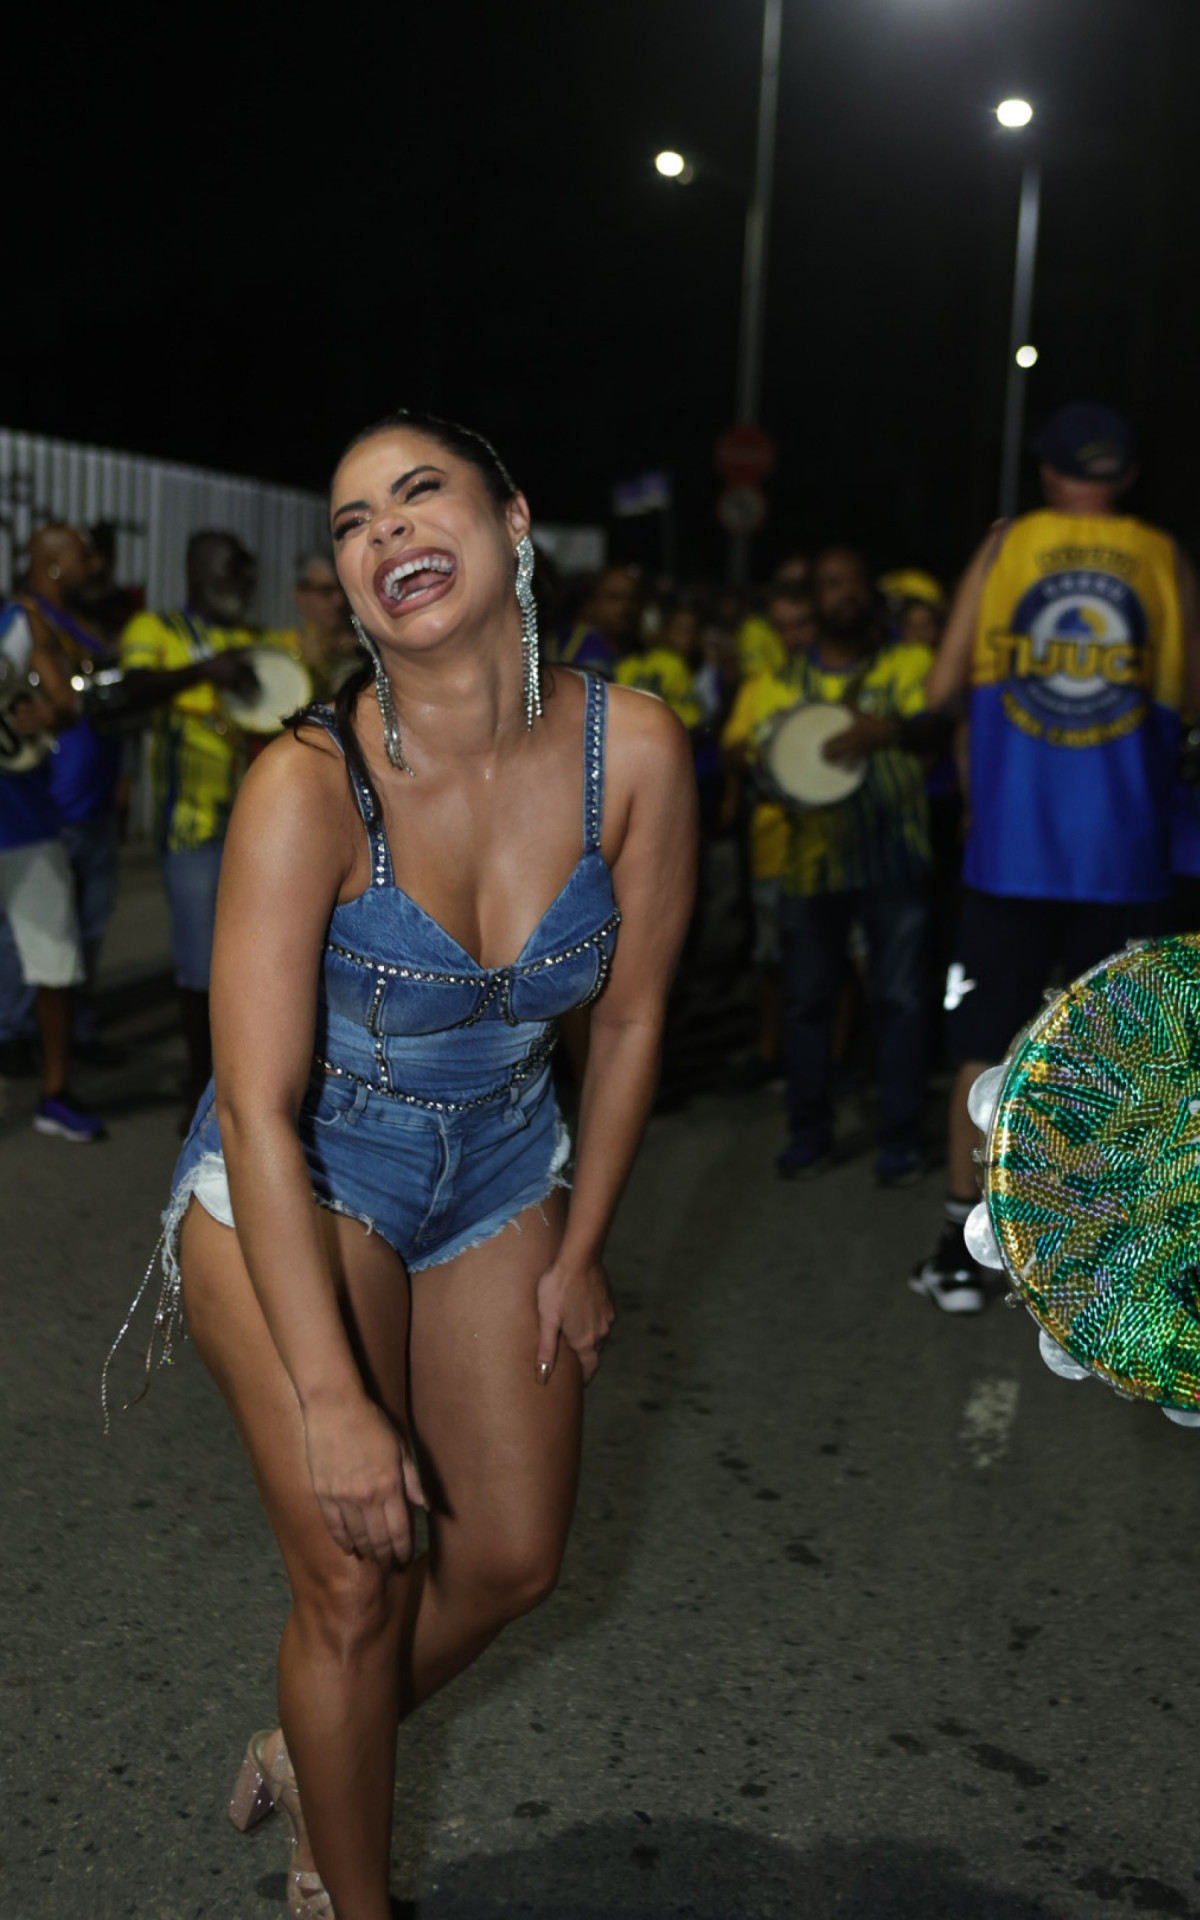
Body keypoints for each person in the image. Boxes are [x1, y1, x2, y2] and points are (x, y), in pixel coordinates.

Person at [119, 410, 695, 1920]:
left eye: (418, 495)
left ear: (513, 523)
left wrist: (581, 1250)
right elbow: (253, 1101)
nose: (384, 537)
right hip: (305, 1180)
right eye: (355, 524)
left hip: (507, 1155)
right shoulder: (302, 787)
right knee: (358, 1579)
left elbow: (629, 1018)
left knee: (510, 1559)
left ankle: (321, 1744)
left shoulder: (630, 748)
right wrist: (335, 1403)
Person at [911, 404, 1200, 1313]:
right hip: (1125, 861)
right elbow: (1191, 698)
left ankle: (964, 1248)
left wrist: (989, 571)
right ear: (1127, 475)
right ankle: (1101, 1263)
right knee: (1120, 1061)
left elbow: (940, 686)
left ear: (1045, 473)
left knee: (980, 1048)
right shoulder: (1163, 560)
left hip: (1010, 859)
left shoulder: (1009, 550)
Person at [775, 547, 945, 1184]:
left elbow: (938, 725)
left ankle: (899, 1136)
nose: (842, 593)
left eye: (852, 582)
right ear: (814, 600)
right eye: (829, 583)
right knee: (807, 1003)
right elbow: (753, 753)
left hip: (895, 859)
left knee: (900, 999)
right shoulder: (785, 680)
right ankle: (808, 1130)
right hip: (811, 867)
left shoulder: (911, 663)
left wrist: (890, 733)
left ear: (871, 594)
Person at [117, 533, 261, 1113]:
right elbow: (130, 689)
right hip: (191, 827)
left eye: (248, 575)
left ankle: (243, 1081)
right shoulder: (156, 632)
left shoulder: (256, 641)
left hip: (257, 828)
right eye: (234, 571)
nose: (244, 584)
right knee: (199, 961)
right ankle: (204, 1088)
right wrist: (207, 670)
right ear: (197, 571)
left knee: (254, 960)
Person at [5, 526, 125, 1062]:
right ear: (51, 564)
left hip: (82, 795)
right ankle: (18, 1030)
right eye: (82, 557)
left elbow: (67, 703)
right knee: (32, 931)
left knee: (78, 929)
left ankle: (68, 1033)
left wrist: (53, 712)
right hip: (54, 797)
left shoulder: (73, 622)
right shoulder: (25, 618)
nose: (94, 566)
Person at [0, 595, 103, 1139]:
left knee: (55, 964)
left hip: (26, 825)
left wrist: (50, 713)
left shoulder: (21, 622)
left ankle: (55, 1093)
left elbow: (64, 704)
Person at [720, 583, 818, 1084]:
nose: (794, 637)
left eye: (803, 624)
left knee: (839, 961)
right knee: (772, 959)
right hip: (773, 843)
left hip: (831, 847)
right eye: (784, 628)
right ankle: (769, 1051)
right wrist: (763, 754)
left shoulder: (833, 682)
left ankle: (835, 1061)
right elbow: (731, 747)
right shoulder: (761, 684)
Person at [270, 552, 357, 702]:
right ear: (300, 595)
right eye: (325, 591)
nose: (339, 600)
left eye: (343, 589)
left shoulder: (368, 648)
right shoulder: (279, 650)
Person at [546, 562, 639, 678]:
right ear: (590, 603)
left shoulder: (644, 653)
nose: (625, 608)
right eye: (613, 598)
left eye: (633, 599)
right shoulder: (576, 649)